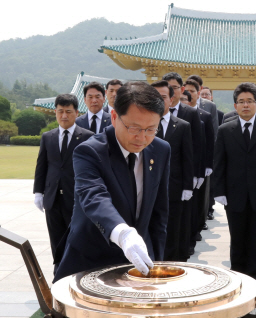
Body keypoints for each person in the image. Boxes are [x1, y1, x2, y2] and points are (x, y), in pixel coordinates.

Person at [53, 82, 170, 281]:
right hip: (92, 261)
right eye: (134, 128)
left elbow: (159, 213)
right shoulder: (90, 151)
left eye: (151, 129)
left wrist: (156, 262)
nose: (141, 138)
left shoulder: (160, 150)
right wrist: (123, 234)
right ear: (114, 117)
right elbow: (94, 198)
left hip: (139, 259)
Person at [213, 83, 256, 282]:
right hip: (233, 193)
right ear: (235, 106)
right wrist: (219, 191)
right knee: (237, 236)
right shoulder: (225, 130)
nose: (245, 105)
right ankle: (237, 275)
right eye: (241, 102)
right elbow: (219, 162)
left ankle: (255, 277)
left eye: (250, 101)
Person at [33, 94, 94, 273]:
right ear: (55, 112)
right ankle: (58, 271)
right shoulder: (48, 137)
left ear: (76, 113)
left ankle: (76, 270)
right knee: (55, 238)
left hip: (76, 198)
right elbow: (42, 165)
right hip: (52, 198)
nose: (64, 116)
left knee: (75, 236)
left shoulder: (87, 137)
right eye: (60, 111)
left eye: (68, 111)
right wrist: (38, 192)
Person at [151, 80, 194, 261]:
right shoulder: (143, 125)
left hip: (174, 188)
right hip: (149, 188)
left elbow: (187, 158)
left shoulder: (183, 126)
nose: (159, 101)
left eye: (163, 97)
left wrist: (187, 186)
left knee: (173, 231)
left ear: (171, 98)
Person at [184, 79, 214, 249]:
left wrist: (207, 166)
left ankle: (195, 231)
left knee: (197, 203)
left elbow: (208, 142)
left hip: (198, 166)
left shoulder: (204, 115)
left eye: (192, 91)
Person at [188, 75, 218, 139]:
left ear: (201, 88)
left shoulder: (210, 105)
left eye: (196, 85)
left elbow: (214, 129)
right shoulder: (181, 103)